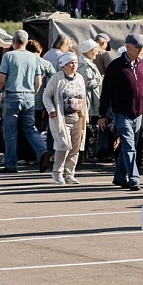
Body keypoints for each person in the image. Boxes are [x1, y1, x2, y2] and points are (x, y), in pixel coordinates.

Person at [0, 31, 51, 174]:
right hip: (29, 96)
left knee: (11, 132)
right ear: (27, 41)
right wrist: (31, 94)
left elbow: (1, 80)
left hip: (12, 96)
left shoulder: (9, 56)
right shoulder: (34, 57)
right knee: (30, 128)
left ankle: (11, 164)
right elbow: (39, 81)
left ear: (13, 41)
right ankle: (43, 151)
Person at [99, 34, 143, 190]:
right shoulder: (115, 66)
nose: (142, 50)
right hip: (121, 112)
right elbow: (106, 92)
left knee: (130, 145)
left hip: (138, 114)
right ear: (128, 47)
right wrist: (102, 115)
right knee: (130, 146)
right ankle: (134, 178)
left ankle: (120, 176)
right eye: (139, 47)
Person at [44, 52, 88, 185]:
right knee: (63, 145)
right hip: (62, 118)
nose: (74, 65)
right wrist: (51, 110)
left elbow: (84, 97)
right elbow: (46, 96)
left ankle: (70, 174)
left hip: (77, 118)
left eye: (75, 63)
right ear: (63, 65)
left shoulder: (79, 78)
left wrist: (85, 115)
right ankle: (57, 172)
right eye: (71, 63)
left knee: (75, 147)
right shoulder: (56, 79)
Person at [27, 40, 57, 158]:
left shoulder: (25, 60)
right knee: (36, 127)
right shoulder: (45, 63)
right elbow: (54, 78)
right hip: (40, 100)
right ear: (40, 50)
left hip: (24, 97)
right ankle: (39, 153)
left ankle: (27, 155)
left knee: (24, 128)